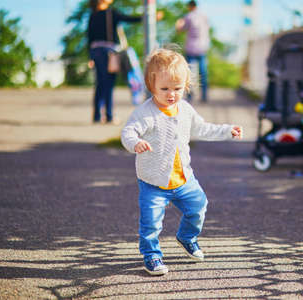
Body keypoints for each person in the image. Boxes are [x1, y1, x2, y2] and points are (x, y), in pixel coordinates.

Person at [121, 48, 242, 275]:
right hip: (153, 182)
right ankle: (152, 256)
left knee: (198, 207)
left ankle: (186, 237)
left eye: (177, 89)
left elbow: (203, 128)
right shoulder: (145, 113)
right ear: (151, 85)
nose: (171, 94)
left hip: (184, 178)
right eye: (164, 89)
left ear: (185, 86)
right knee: (151, 224)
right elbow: (128, 132)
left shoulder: (185, 110)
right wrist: (134, 142)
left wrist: (227, 131)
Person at [87, 0, 142, 124]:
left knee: (100, 84)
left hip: (95, 52)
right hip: (109, 52)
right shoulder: (111, 13)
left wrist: (90, 57)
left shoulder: (92, 15)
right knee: (109, 84)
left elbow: (89, 37)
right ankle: (109, 116)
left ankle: (96, 116)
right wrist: (147, 17)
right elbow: (129, 19)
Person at [175, 0, 210, 102]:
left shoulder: (188, 16)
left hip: (191, 47)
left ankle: (190, 96)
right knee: (203, 73)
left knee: (188, 72)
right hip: (202, 47)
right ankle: (204, 96)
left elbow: (180, 29)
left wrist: (178, 24)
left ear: (190, 7)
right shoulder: (204, 16)